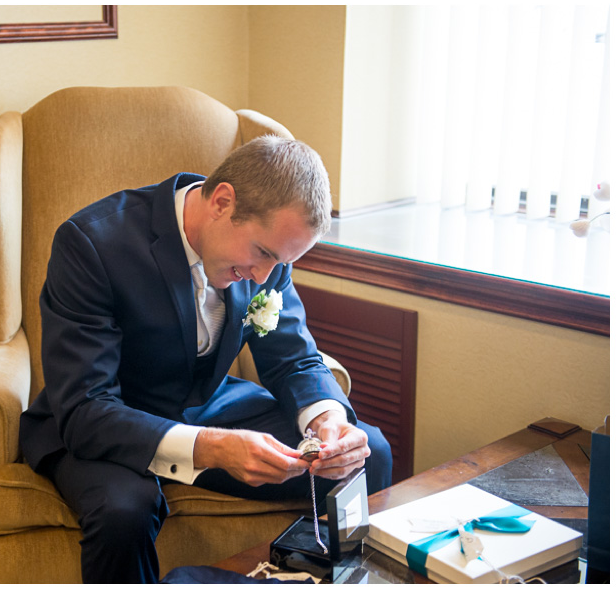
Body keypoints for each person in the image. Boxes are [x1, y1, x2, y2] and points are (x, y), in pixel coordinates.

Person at [19, 135, 393, 583]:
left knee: (368, 453)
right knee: (124, 512)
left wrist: (325, 422)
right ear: (221, 201)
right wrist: (210, 448)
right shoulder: (91, 243)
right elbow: (86, 408)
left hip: (206, 403)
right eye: (263, 254)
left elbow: (293, 357)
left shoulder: (269, 259)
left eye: (281, 262)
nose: (264, 276)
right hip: (103, 422)